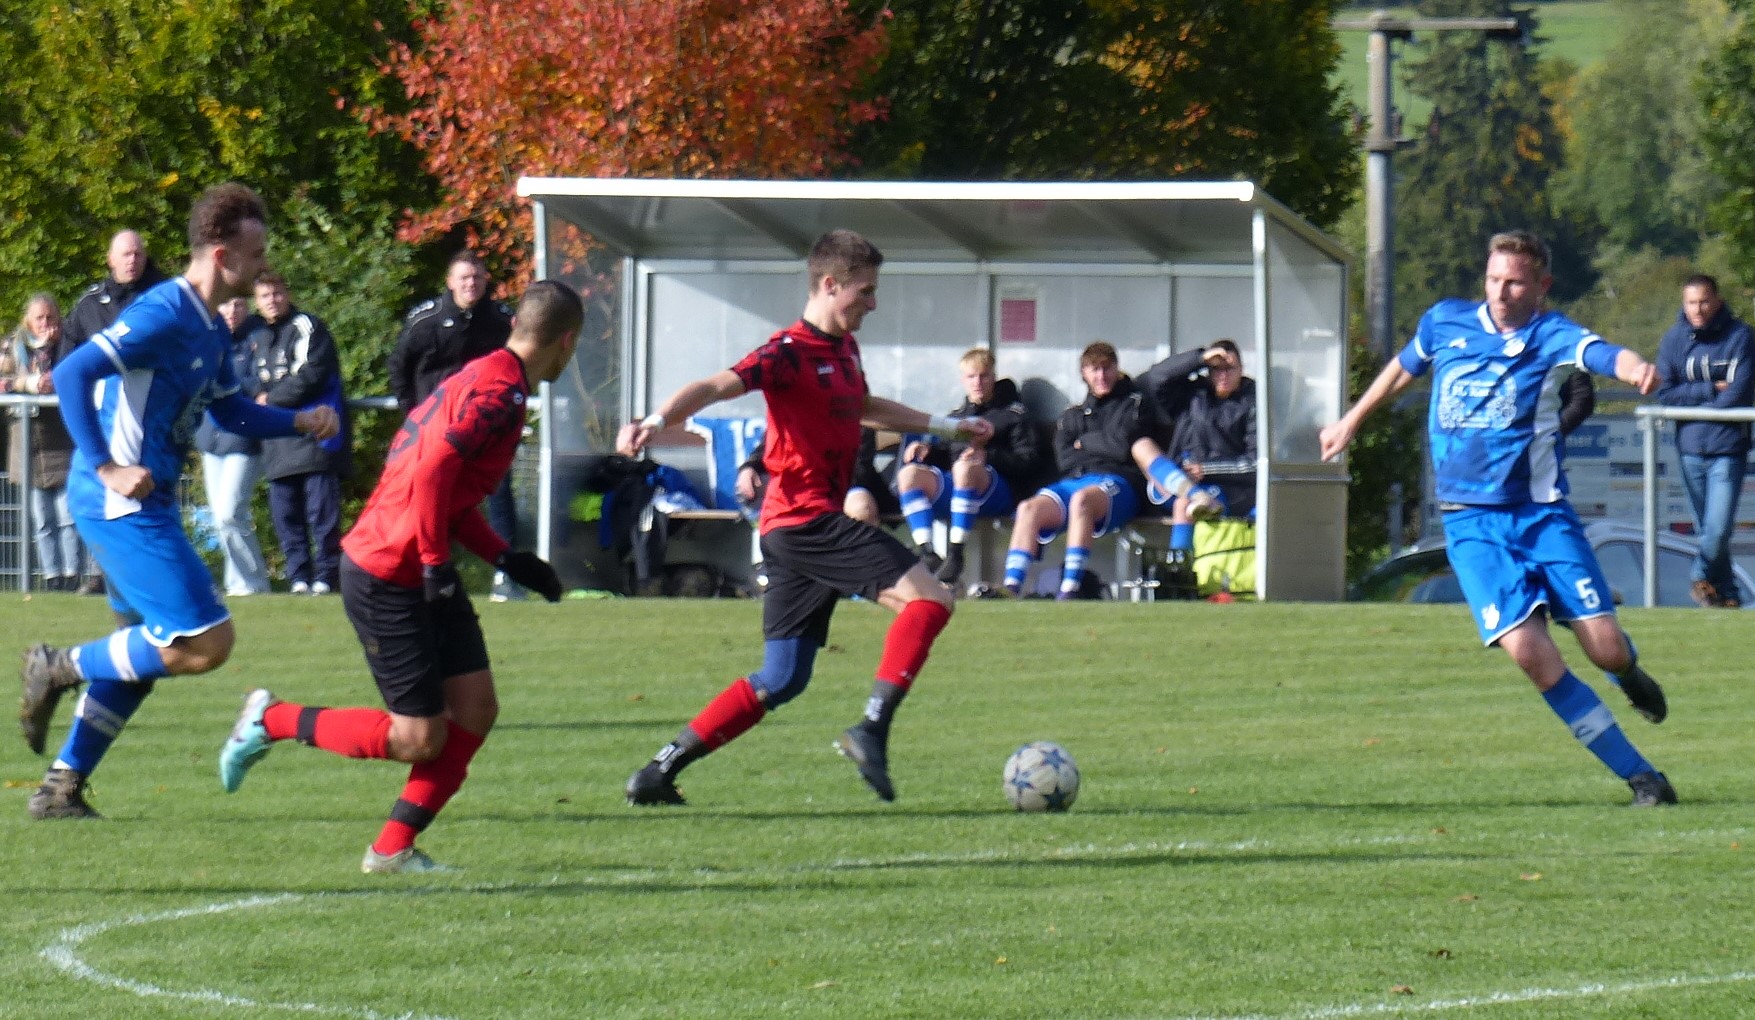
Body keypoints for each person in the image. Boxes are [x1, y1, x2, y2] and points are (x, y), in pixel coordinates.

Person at [618, 229, 991, 806]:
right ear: (830, 284)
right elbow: (716, 385)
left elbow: (865, 407)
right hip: (805, 521)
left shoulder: (844, 349)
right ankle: (871, 730)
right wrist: (655, 419)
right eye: (865, 291)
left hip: (793, 529)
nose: (873, 303)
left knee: (783, 677)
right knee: (931, 601)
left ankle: (657, 771)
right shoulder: (787, 352)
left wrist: (948, 426)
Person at [216, 281, 575, 873]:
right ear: (567, 341)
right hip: (387, 570)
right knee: (418, 738)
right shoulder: (500, 393)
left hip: (415, 563)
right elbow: (430, 471)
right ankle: (271, 720)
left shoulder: (484, 374)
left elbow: (445, 490)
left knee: (476, 708)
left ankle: (391, 850)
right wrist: (435, 564)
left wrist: (504, 558)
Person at [1319, 230, 1676, 808]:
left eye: (1514, 282)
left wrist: (1637, 370)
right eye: (1493, 279)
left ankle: (1626, 673)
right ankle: (1643, 778)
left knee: (1606, 647)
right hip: (1471, 526)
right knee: (1532, 656)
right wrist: (1351, 420)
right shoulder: (1446, 322)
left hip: (1541, 517)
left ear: (1541, 285)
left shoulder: (1551, 334)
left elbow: (1604, 354)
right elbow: (1403, 368)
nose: (1501, 292)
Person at [18, 183, 340, 819]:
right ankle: (58, 664)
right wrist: (108, 466)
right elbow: (75, 371)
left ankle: (60, 788)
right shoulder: (165, 311)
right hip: (117, 502)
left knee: (144, 652)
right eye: (256, 254)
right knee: (205, 641)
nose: (264, 265)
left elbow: (231, 412)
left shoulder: (211, 329)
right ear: (221, 256)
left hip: (148, 501)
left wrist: (298, 422)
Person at [999, 342, 1219, 599]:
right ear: (1084, 373)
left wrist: (1085, 442)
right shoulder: (1072, 415)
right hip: (1076, 480)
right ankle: (1010, 587)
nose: (1101, 376)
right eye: (1095, 369)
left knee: (1082, 501)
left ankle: (1070, 589)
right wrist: (1103, 444)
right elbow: (1066, 459)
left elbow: (1123, 447)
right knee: (1028, 508)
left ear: (1116, 369)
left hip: (1120, 483)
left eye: (1107, 368)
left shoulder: (1134, 403)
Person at [386, 252, 521, 600]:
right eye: (464, 278)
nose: (470, 284)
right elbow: (399, 367)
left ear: (485, 280)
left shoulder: (501, 321)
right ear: (450, 282)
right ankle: (420, 570)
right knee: (428, 498)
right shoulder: (426, 320)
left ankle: (506, 576)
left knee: (499, 495)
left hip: (485, 430)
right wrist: (414, 415)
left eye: (476, 277)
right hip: (436, 433)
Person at [894, 347, 1054, 585]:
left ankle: (956, 553)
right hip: (960, 488)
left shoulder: (1013, 415)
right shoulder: (957, 417)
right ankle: (927, 553)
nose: (977, 382)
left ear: (993, 377)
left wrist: (988, 456)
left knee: (965, 468)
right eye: (971, 376)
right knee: (909, 475)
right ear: (963, 380)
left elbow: (1029, 462)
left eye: (984, 376)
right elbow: (949, 456)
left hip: (998, 491)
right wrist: (928, 452)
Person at [1655, 274, 1753, 609]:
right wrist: (1710, 389)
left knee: (1718, 530)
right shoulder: (1674, 339)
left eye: (1704, 301)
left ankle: (1699, 576)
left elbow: (1739, 392)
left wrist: (1696, 403)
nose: (1698, 309)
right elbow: (1665, 393)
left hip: (1728, 447)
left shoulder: (1740, 336)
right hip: (1690, 448)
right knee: (1707, 530)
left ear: (1717, 301)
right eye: (1691, 302)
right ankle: (1728, 594)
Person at [250, 271, 351, 595]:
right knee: (286, 514)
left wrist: (270, 400)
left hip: (314, 437)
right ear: (256, 300)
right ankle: (298, 578)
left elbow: (312, 374)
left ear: (287, 294)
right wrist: (255, 397)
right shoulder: (253, 334)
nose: (272, 301)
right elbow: (242, 375)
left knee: (321, 512)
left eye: (277, 293)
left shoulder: (308, 326)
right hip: (275, 439)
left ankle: (326, 577)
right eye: (265, 296)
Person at [0, 294, 90, 591]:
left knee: (68, 516)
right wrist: (28, 384)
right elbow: (3, 380)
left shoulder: (69, 345)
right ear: (29, 320)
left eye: (50, 317)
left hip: (62, 442)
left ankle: (72, 573)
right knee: (41, 519)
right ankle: (51, 576)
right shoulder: (12, 346)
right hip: (27, 446)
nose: (45, 324)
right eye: (39, 318)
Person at [1139, 338, 1256, 557]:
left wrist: (1206, 469)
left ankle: (1178, 569)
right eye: (1216, 369)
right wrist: (1200, 358)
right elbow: (1156, 378)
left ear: (1241, 369)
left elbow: (1255, 464)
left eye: (1230, 369)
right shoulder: (1193, 393)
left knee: (1184, 505)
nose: (1223, 375)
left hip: (1226, 488)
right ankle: (1192, 493)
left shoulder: (1252, 401)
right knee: (1141, 446)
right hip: (1178, 481)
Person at [195, 296, 272, 596]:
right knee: (220, 518)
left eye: (238, 305)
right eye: (226, 305)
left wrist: (232, 382)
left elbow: (259, 383)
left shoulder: (259, 337)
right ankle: (236, 584)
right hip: (210, 438)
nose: (231, 311)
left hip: (243, 438)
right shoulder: (206, 337)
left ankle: (253, 585)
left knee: (230, 513)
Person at [60, 229, 167, 362]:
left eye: (137, 254)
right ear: (111, 260)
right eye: (126, 254)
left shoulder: (161, 298)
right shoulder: (90, 304)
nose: (132, 260)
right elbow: (68, 359)